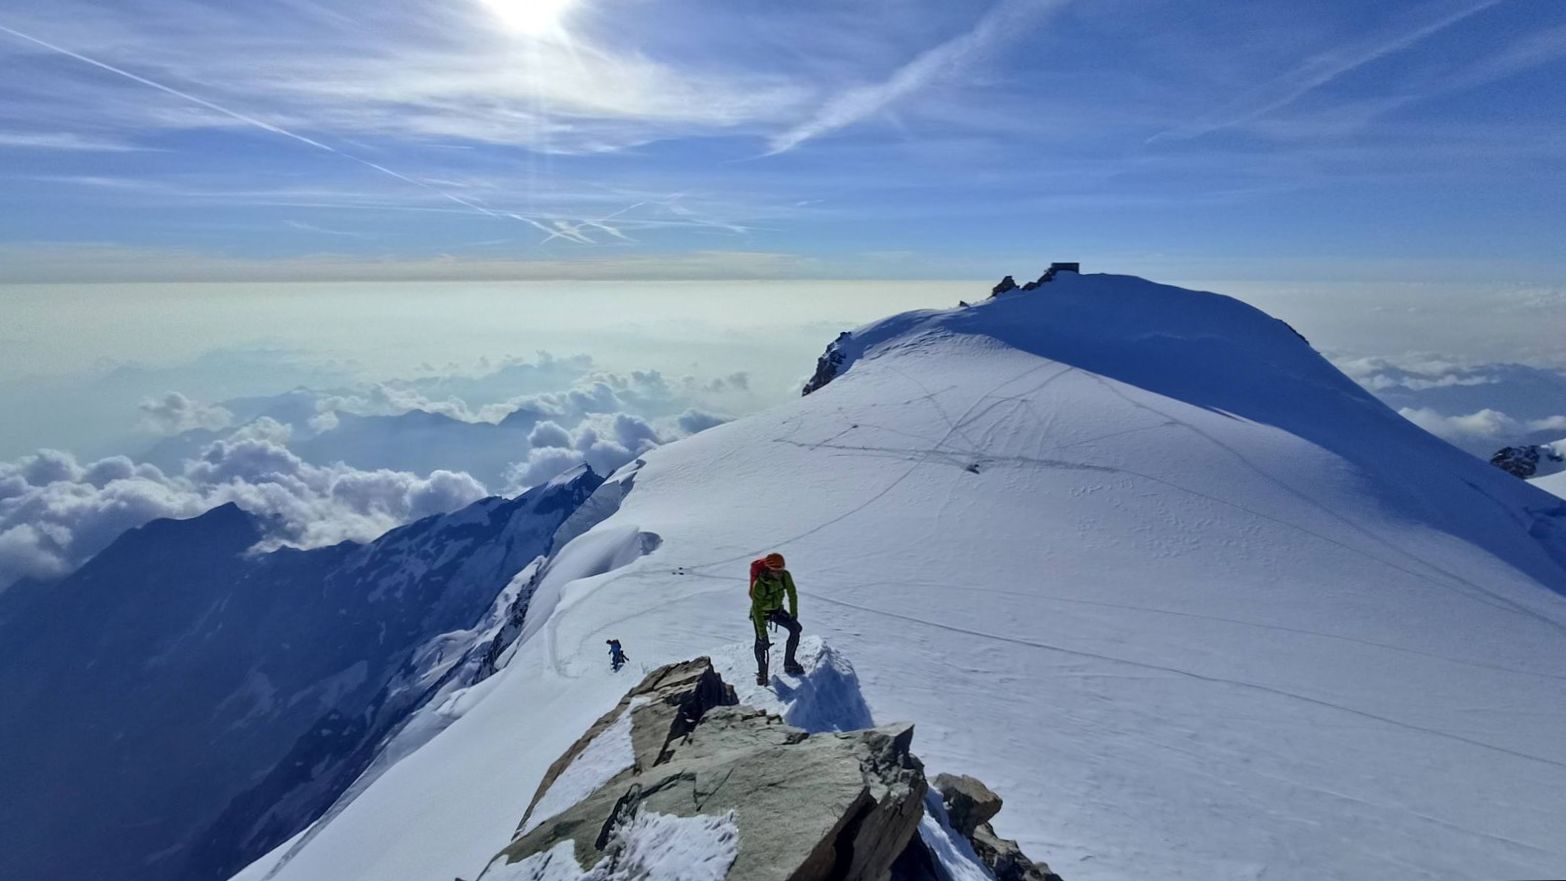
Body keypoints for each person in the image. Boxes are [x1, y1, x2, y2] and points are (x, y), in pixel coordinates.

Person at [750, 552, 804, 685]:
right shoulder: (760, 585)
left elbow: (792, 593)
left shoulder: (785, 576)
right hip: (761, 614)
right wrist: (763, 635)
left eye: (781, 570)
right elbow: (757, 610)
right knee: (760, 643)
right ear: (769, 569)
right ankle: (762, 674)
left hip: (777, 611)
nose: (780, 574)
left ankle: (789, 663)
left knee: (796, 629)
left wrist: (793, 614)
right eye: (776, 571)